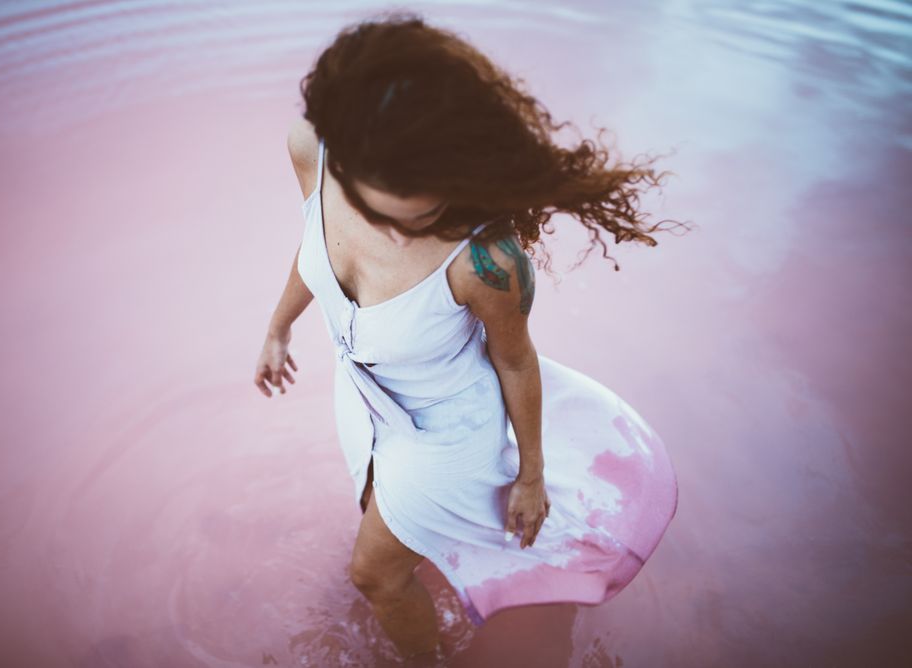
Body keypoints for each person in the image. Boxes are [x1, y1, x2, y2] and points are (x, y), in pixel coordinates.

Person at [254, 11, 682, 663]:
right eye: (388, 206)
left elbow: (515, 364)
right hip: (365, 396)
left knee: (373, 574)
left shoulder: (488, 261)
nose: (408, 229)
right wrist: (279, 326)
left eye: (431, 207)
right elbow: (316, 245)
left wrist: (532, 476)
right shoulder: (309, 148)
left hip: (449, 436)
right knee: (373, 502)